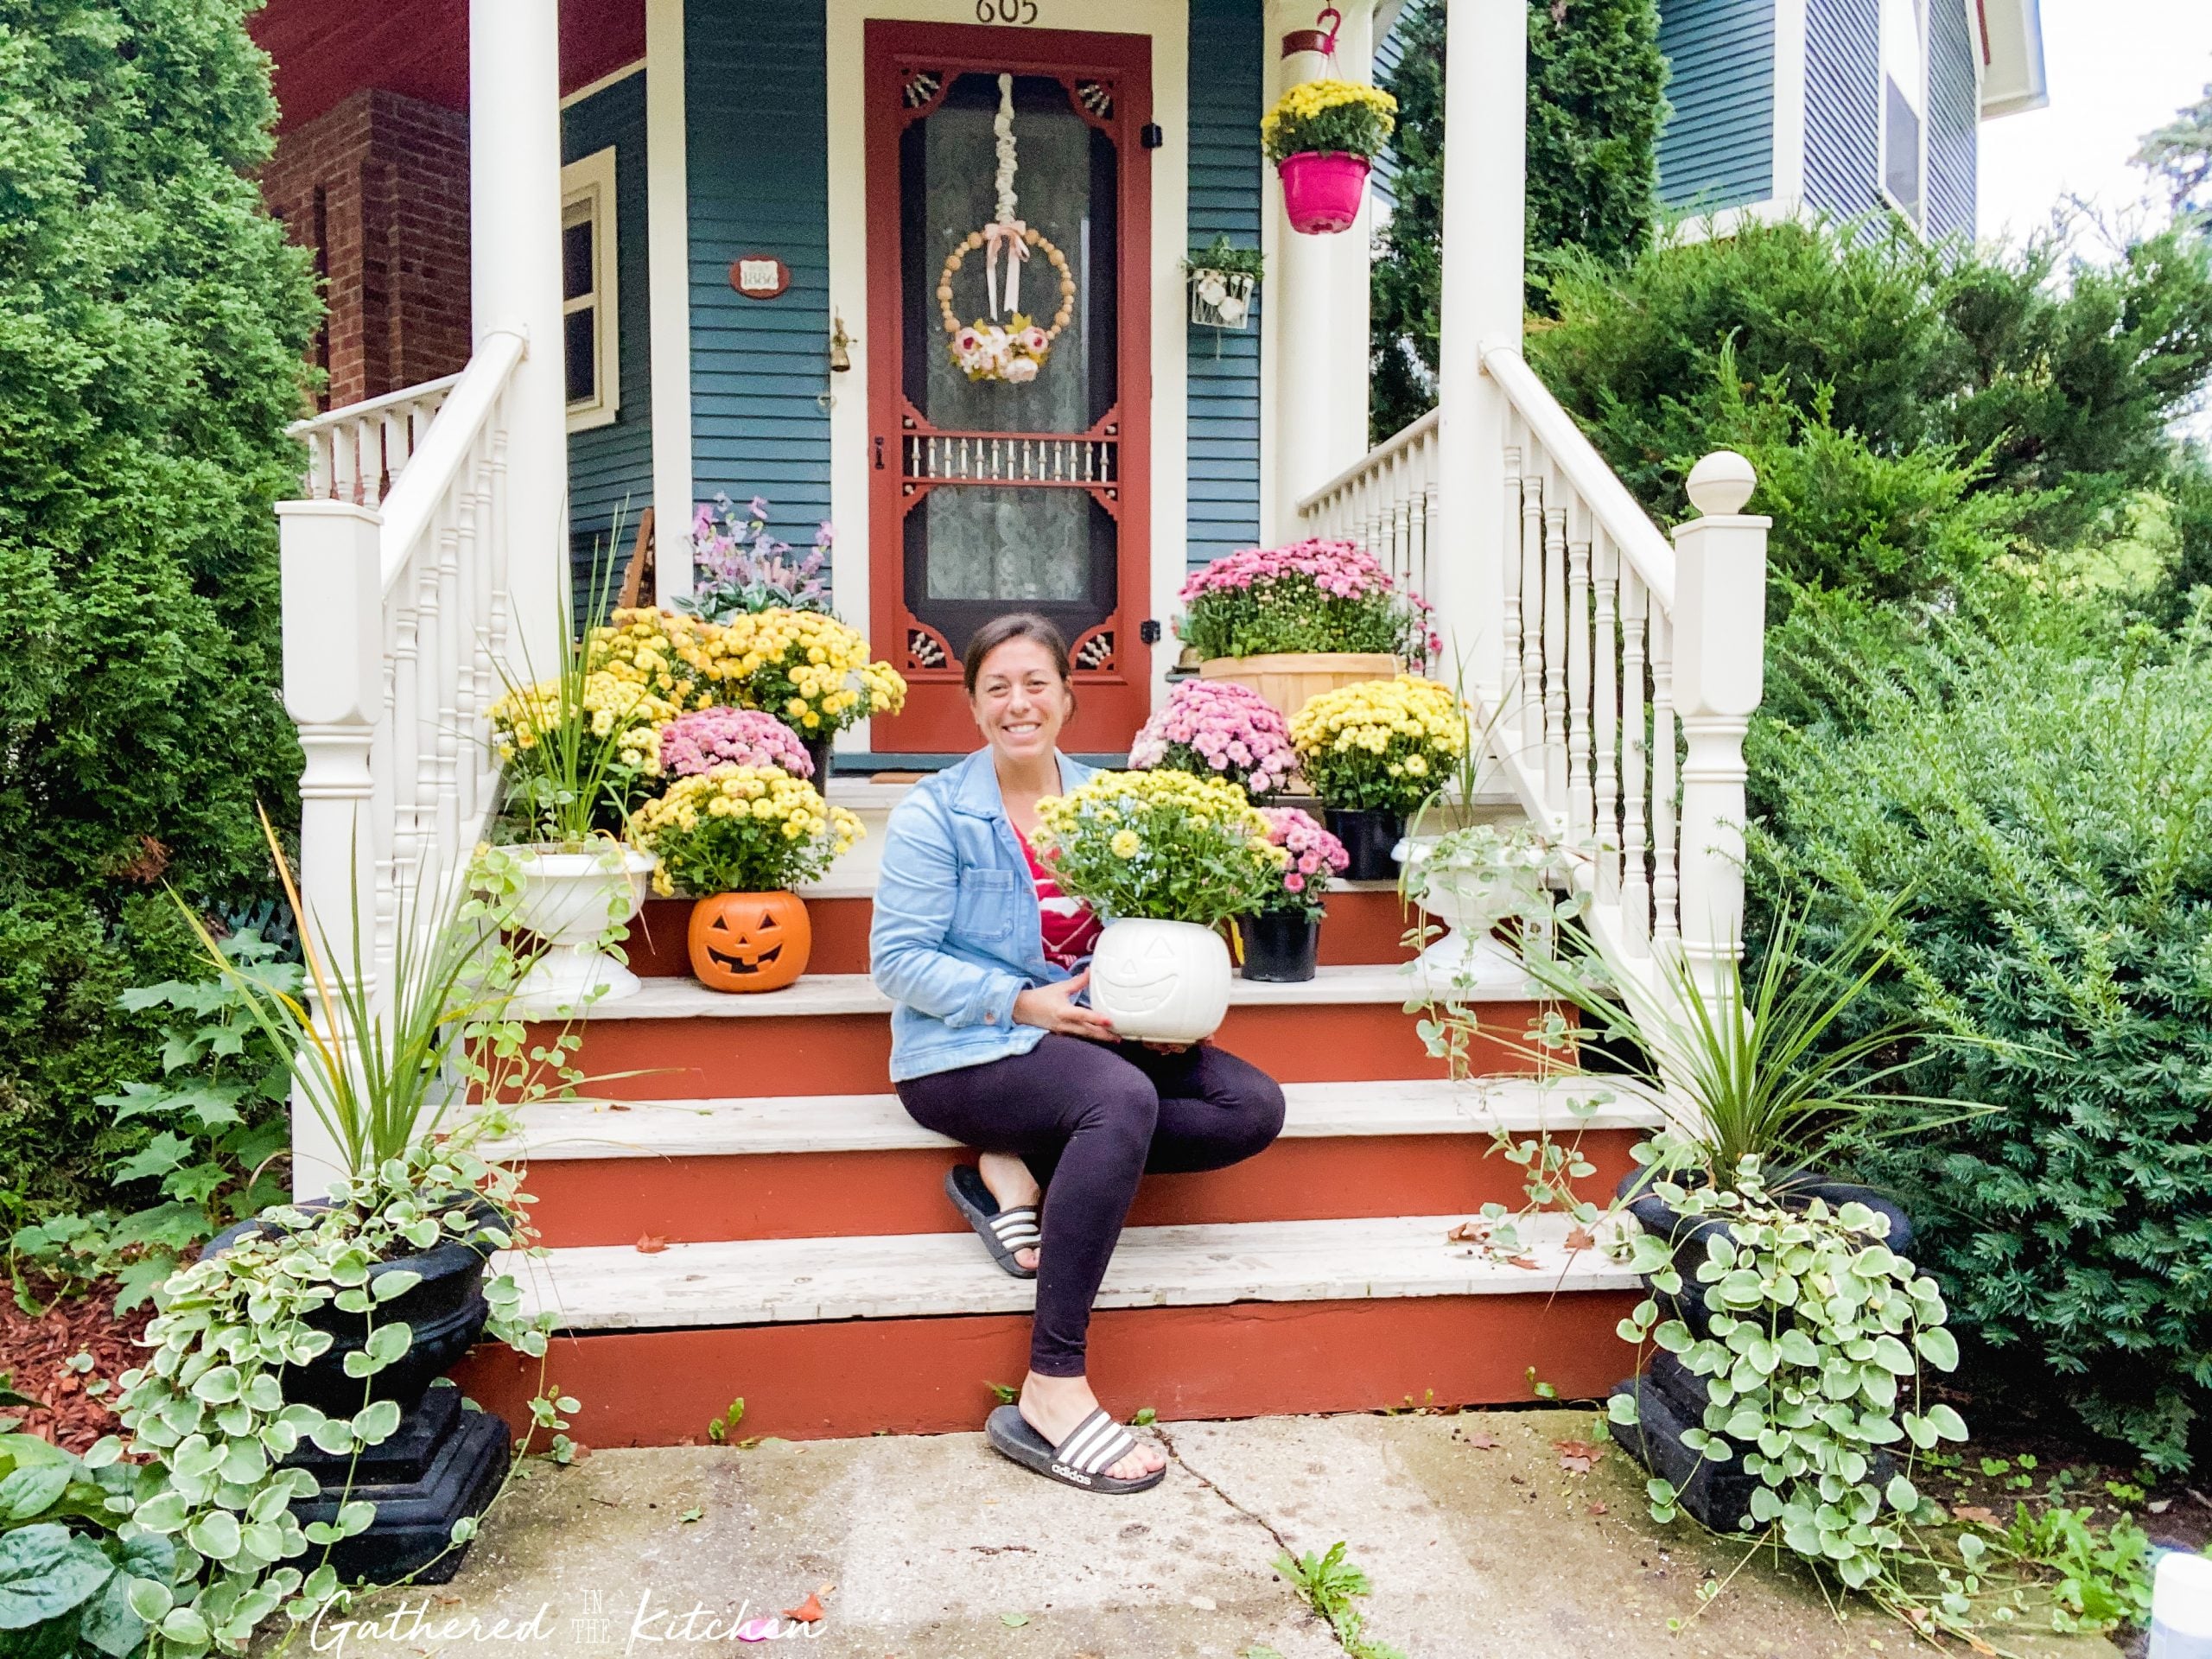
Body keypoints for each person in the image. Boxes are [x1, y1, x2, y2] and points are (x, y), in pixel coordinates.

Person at [869, 613, 1287, 1494]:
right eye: (997, 688)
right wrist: (1025, 1003)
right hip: (965, 1051)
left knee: (1250, 1107)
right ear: (973, 705)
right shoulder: (935, 813)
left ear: (1066, 695)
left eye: (1036, 684)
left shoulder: (1112, 803)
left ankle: (1015, 1169)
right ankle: (1051, 1385)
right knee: (1119, 1102)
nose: (1017, 703)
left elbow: (1145, 932)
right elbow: (898, 962)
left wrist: (1162, 1010)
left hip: (1089, 1036)